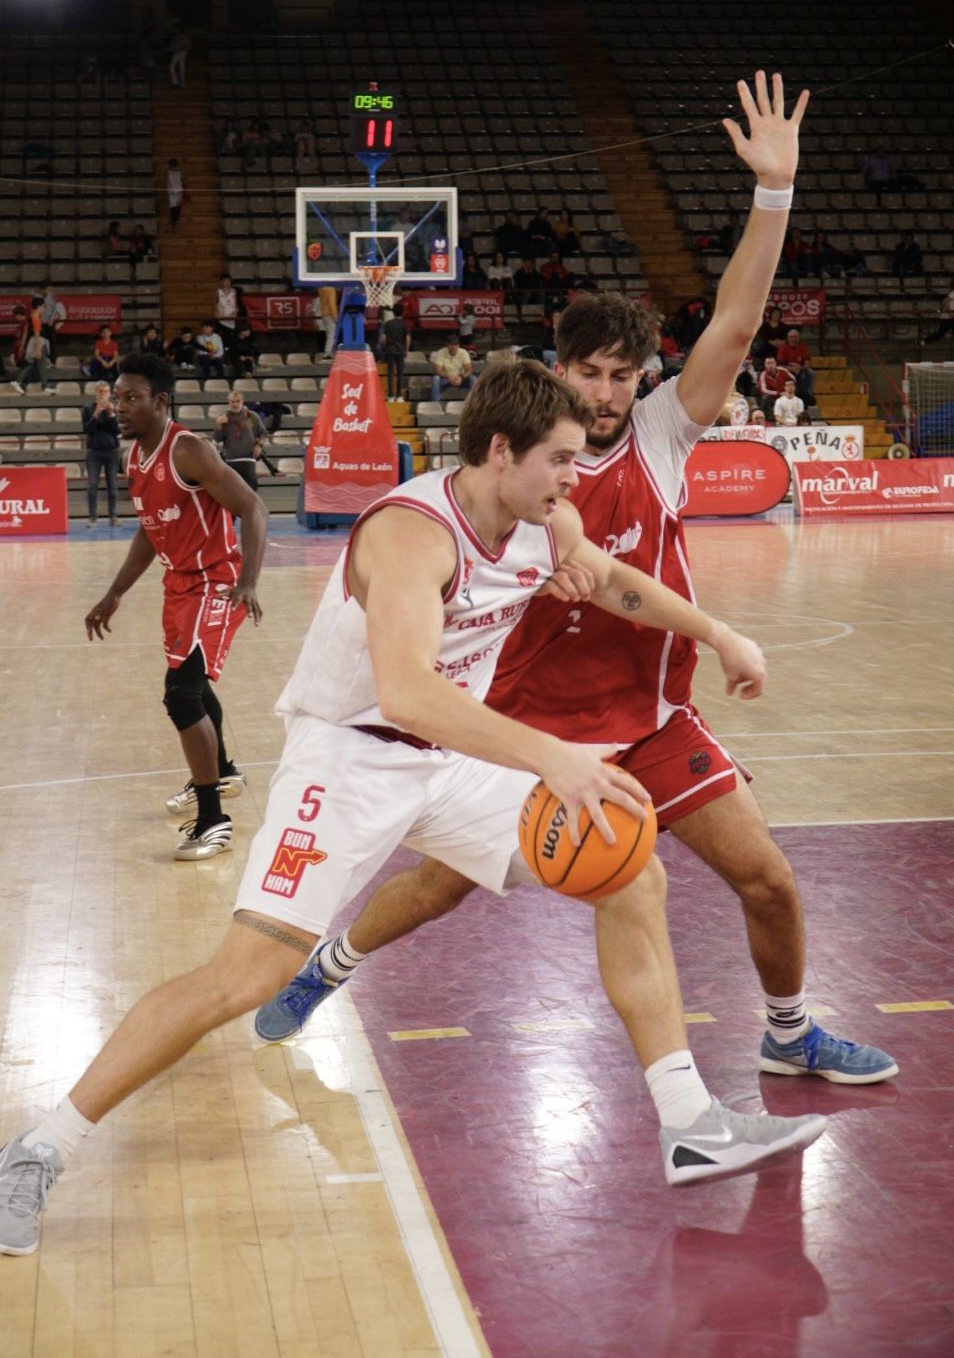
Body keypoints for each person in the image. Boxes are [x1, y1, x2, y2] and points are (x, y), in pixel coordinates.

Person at [0, 357, 828, 1257]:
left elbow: (614, 579)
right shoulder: (411, 536)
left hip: (449, 760)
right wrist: (552, 755)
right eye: (560, 459)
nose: (576, 478)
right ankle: (40, 1147)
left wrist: (719, 632)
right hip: (347, 759)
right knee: (243, 976)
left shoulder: (548, 522)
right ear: (501, 451)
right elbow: (408, 692)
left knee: (630, 871)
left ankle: (688, 1119)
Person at [258, 74, 896, 1115]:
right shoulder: (512, 458)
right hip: (525, 720)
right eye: (589, 373)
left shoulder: (661, 435)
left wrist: (773, 192)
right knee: (435, 888)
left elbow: (735, 328)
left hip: (645, 716)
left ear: (645, 378)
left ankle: (787, 1032)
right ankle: (331, 961)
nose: (605, 393)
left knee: (767, 875)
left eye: (622, 374)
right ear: (558, 372)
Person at [84, 355, 264, 867]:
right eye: (117, 397)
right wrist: (115, 592)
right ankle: (221, 772)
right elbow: (150, 530)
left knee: (181, 693)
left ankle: (214, 820)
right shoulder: (134, 458)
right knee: (195, 686)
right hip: (179, 584)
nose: (120, 407)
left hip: (216, 582)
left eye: (132, 398)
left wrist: (248, 581)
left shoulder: (188, 450)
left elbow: (253, 507)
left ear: (161, 401)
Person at [82, 381, 121, 525]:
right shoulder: (88, 409)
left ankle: (113, 517)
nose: (103, 394)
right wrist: (96, 415)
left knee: (113, 486)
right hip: (94, 453)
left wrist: (111, 415)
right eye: (100, 391)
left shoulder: (116, 410)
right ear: (96, 393)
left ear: (110, 394)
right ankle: (92, 517)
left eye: (105, 392)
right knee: (92, 485)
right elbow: (87, 430)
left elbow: (117, 431)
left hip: (112, 452)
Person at [213, 389, 268, 491]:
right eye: (232, 402)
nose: (235, 404)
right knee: (231, 491)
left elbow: (263, 433)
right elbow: (217, 439)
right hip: (230, 460)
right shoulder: (224, 417)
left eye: (238, 401)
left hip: (248, 460)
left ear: (242, 402)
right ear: (228, 403)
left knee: (251, 491)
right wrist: (219, 426)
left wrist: (259, 445)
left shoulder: (250, 416)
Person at [12, 298, 55, 394]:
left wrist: (23, 346)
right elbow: (37, 334)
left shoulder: (32, 317)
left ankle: (18, 381)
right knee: (39, 365)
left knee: (33, 365)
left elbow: (27, 332)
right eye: (44, 306)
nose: (44, 309)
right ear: (39, 306)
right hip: (38, 342)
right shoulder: (35, 318)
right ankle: (44, 386)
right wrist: (38, 349)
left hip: (34, 342)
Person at [430, 334, 474, 403]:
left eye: (456, 345)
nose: (454, 347)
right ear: (447, 345)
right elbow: (438, 370)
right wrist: (448, 377)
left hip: (460, 378)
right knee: (436, 379)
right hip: (445, 379)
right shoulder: (441, 352)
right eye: (451, 345)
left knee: (473, 378)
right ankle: (435, 404)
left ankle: (474, 403)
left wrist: (462, 377)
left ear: (459, 345)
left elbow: (469, 369)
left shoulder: (463, 352)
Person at [380, 300, 410, 400]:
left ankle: (391, 396)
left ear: (393, 312)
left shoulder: (388, 324)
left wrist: (385, 348)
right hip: (401, 351)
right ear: (403, 312)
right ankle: (400, 396)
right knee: (400, 373)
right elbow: (407, 338)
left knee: (391, 373)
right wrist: (406, 350)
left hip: (390, 350)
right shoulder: (404, 324)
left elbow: (383, 338)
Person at [39, 285, 67, 365]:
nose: (49, 291)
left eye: (50, 289)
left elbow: (54, 310)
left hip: (50, 323)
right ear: (43, 290)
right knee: (42, 342)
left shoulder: (51, 298)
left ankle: (52, 361)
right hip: (42, 323)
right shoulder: (39, 298)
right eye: (48, 289)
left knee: (52, 342)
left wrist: (51, 319)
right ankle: (43, 359)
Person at [923, 278, 954, 345]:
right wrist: (950, 311)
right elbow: (944, 301)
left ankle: (923, 342)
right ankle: (923, 342)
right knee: (940, 334)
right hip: (948, 317)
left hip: (949, 317)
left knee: (940, 334)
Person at [167, 159, 186, 231]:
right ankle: (174, 224)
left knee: (177, 209)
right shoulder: (169, 173)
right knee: (174, 209)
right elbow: (167, 182)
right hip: (173, 193)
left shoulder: (179, 173)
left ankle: (176, 224)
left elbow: (184, 180)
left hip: (177, 192)